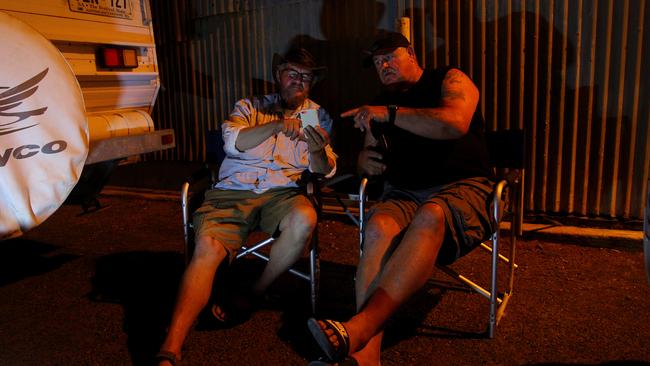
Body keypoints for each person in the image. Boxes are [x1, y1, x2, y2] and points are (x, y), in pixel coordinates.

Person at [307, 31, 495, 366]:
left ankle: (359, 328)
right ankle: (367, 355)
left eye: (390, 56)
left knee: (432, 215)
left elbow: (455, 123)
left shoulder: (448, 79)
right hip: (405, 193)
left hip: (463, 187)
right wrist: (365, 161)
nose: (384, 65)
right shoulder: (378, 104)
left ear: (411, 52)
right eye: (377, 63)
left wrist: (389, 113)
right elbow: (368, 156)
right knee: (377, 226)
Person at [156, 47, 337, 366]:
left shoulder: (315, 115)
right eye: (292, 73)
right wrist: (278, 125)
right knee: (208, 248)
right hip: (232, 191)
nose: (298, 81)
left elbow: (323, 170)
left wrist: (318, 150)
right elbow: (233, 143)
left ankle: (255, 290)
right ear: (277, 75)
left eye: (305, 77)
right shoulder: (250, 106)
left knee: (305, 217)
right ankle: (170, 347)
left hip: (282, 193)